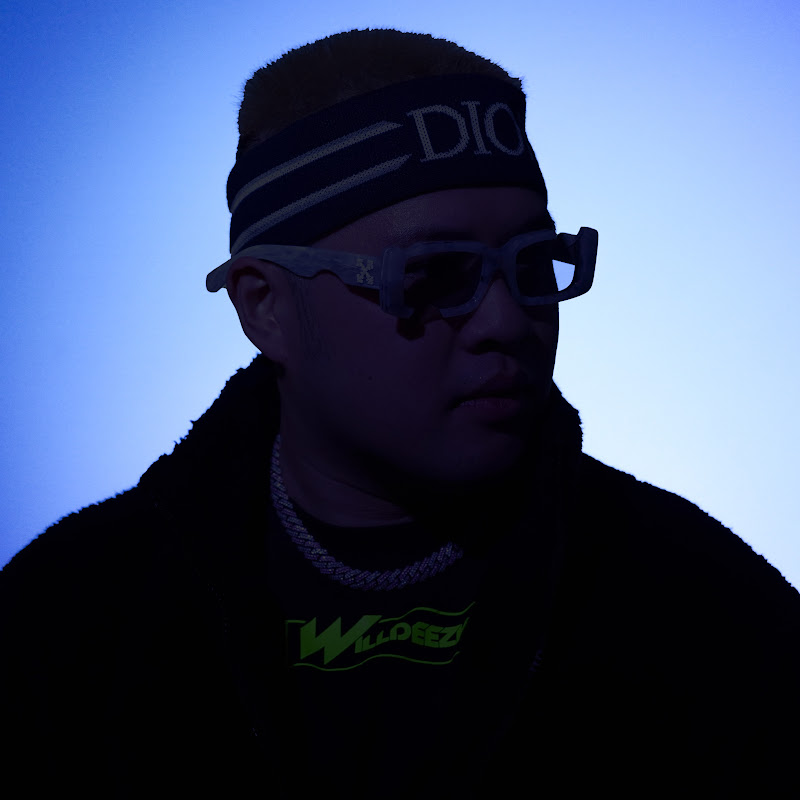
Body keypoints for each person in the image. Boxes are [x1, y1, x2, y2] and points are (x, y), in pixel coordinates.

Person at [2, 28, 798, 798]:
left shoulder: (705, 615)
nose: (506, 321)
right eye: (434, 274)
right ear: (264, 307)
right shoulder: (71, 619)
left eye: (532, 265)